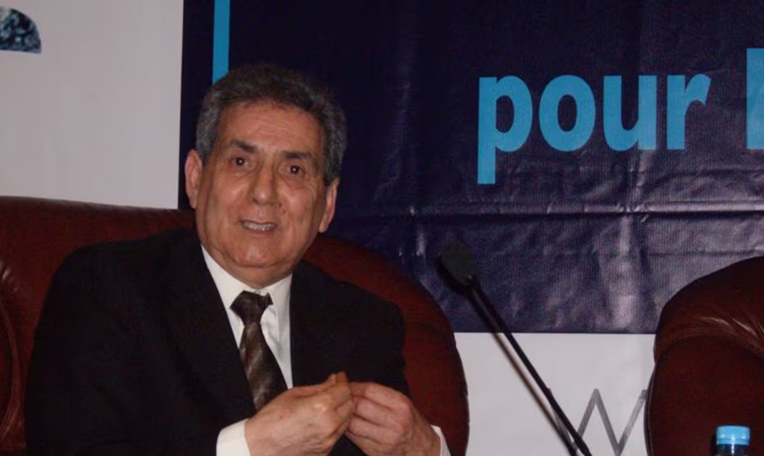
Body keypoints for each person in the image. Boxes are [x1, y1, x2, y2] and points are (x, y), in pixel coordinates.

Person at [25, 64, 449, 456]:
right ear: (196, 178)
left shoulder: (364, 324)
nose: (263, 192)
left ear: (327, 205)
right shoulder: (106, 289)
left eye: (294, 170)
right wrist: (249, 447)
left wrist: (427, 450)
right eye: (241, 162)